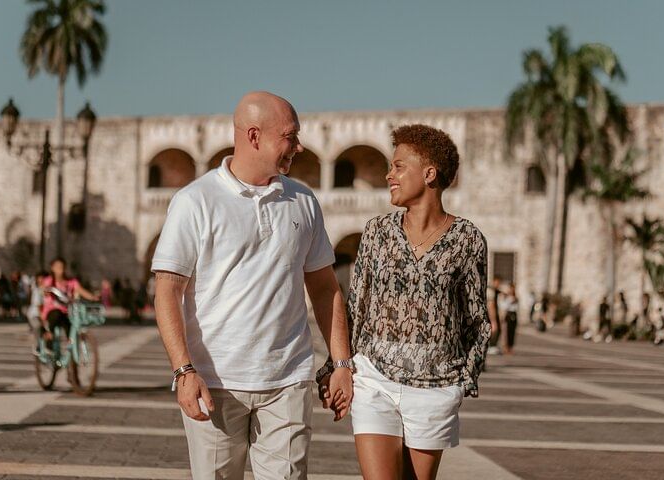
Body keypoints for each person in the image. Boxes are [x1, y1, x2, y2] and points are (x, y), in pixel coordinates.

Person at [152, 91, 353, 480]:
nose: (299, 146)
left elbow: (325, 287)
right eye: (290, 136)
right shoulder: (195, 201)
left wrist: (341, 363)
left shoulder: (303, 200)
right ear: (254, 136)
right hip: (214, 382)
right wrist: (183, 371)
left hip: (287, 380)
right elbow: (167, 291)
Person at [319, 124, 490, 480]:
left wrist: (462, 382)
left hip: (435, 387)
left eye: (398, 166)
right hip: (374, 379)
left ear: (429, 174)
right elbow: (356, 307)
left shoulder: (468, 239)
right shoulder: (377, 232)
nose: (389, 175)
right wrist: (337, 367)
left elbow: (476, 319)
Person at [40, 257, 98, 341]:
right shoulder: (48, 280)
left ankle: (71, 343)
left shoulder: (71, 281)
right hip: (52, 312)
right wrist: (46, 291)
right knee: (56, 314)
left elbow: (80, 290)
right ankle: (49, 333)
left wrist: (92, 297)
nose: (60, 269)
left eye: (62, 267)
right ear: (52, 268)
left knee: (72, 322)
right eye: (57, 267)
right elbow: (44, 289)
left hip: (67, 311)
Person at [501, 283, 519, 353]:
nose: (512, 290)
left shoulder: (516, 297)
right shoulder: (506, 296)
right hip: (508, 314)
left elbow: (517, 307)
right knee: (507, 332)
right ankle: (506, 347)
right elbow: (504, 306)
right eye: (511, 288)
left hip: (514, 314)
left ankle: (511, 347)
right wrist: (510, 301)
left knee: (512, 332)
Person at [487, 276, 502, 354]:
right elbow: (491, 305)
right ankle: (491, 346)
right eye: (497, 282)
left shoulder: (496, 291)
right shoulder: (491, 292)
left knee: (498, 329)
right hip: (492, 313)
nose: (498, 284)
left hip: (495, 313)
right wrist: (493, 319)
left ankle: (493, 345)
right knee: (494, 329)